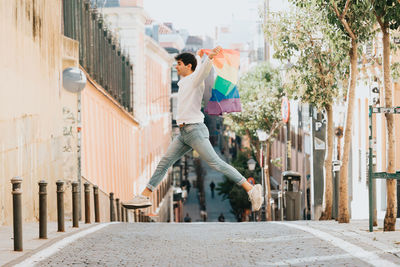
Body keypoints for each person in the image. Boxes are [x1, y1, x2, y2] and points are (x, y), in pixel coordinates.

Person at [122, 46, 263, 212]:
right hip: (183, 133)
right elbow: (197, 65)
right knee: (164, 163)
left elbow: (202, 70)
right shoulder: (186, 81)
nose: (176, 67)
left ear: (189, 66)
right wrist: (198, 54)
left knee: (216, 163)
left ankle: (251, 190)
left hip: (194, 130)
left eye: (179, 63)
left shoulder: (196, 79)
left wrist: (208, 58)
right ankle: (144, 196)